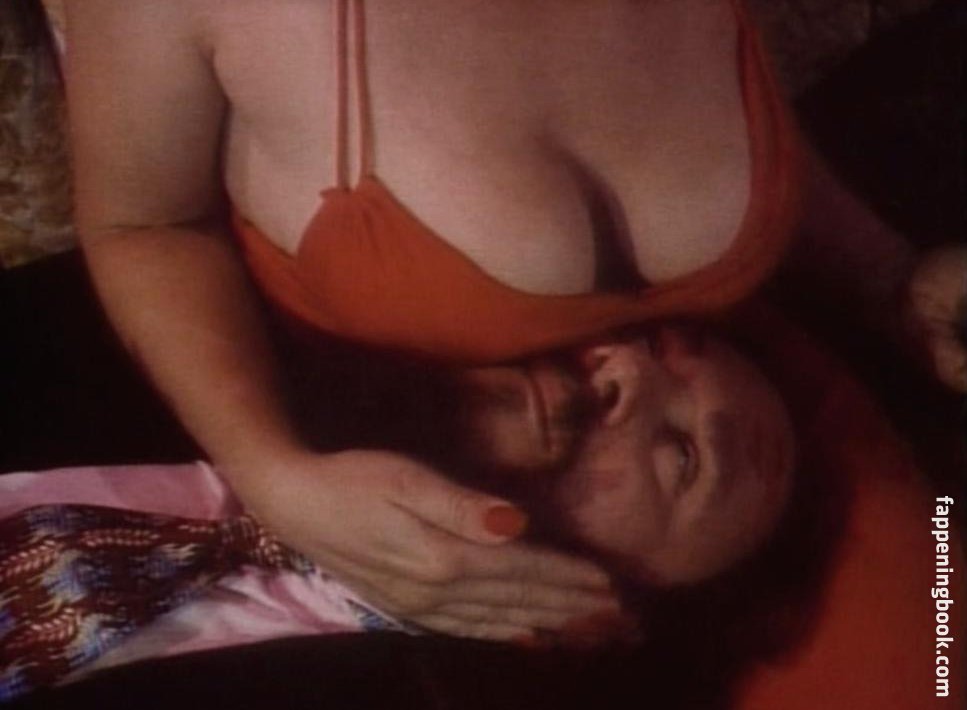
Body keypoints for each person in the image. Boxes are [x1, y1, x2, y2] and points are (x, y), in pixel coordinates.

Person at [61, 0, 965, 644]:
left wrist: (887, 278)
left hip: (733, 456)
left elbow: (725, 126)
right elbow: (145, 226)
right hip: (400, 515)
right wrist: (268, 471)